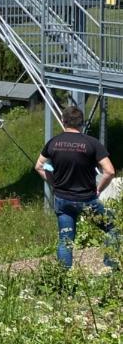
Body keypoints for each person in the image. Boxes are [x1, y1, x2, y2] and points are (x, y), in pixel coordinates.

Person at [36, 105, 118, 270]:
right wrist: (99, 189)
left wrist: (54, 183)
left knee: (66, 239)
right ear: (81, 123)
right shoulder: (91, 143)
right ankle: (111, 267)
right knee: (113, 227)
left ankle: (63, 280)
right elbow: (109, 171)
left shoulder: (53, 143)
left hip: (63, 200)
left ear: (63, 121)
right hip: (87, 200)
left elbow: (39, 166)